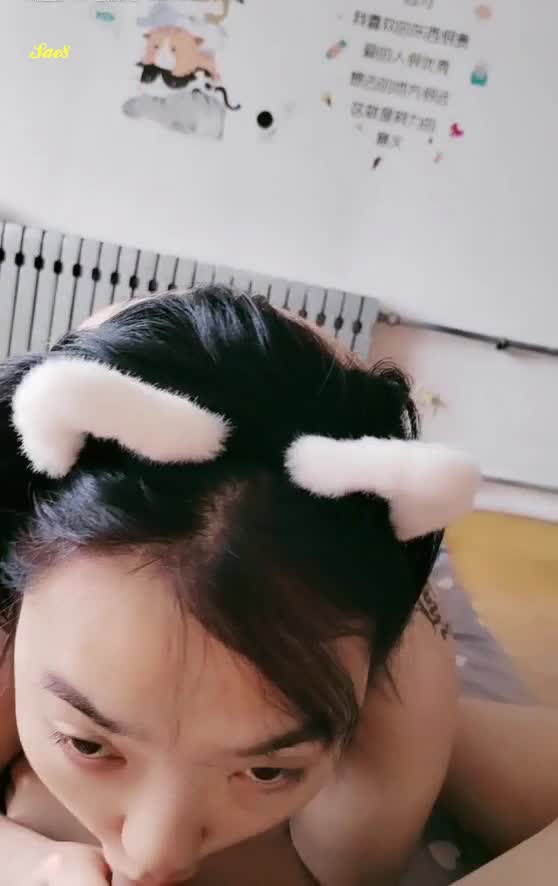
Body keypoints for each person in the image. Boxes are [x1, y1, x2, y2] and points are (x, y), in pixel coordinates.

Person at [0, 287, 557, 886]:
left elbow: (349, 872)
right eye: (87, 744)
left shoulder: (396, 719)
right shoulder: (34, 566)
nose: (156, 858)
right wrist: (39, 864)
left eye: (267, 770)